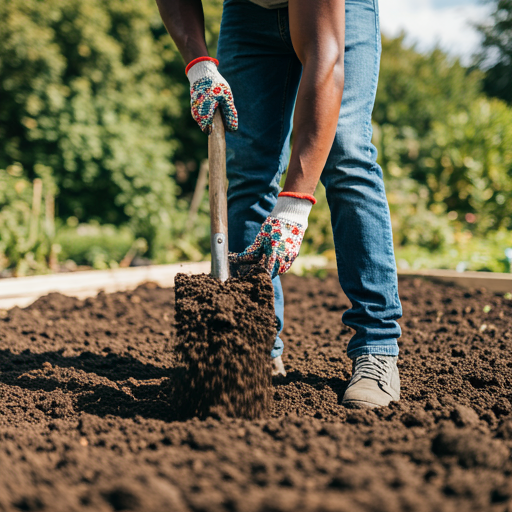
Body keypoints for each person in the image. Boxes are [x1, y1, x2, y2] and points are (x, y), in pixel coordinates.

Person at [156, 0, 402, 408]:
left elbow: (326, 59)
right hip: (247, 13)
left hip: (334, 13)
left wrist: (295, 203)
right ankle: (255, 348)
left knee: (345, 150)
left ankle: (376, 348)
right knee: (249, 164)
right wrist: (198, 62)